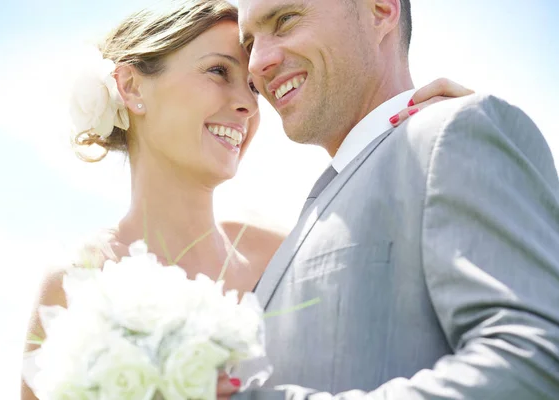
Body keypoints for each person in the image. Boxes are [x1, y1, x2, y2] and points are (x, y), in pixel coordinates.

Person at [20, 1, 475, 399]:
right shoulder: (72, 282)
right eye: (218, 72)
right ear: (133, 87)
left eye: (253, 87)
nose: (248, 104)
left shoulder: (289, 251)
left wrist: (416, 137)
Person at [226, 0, 559, 398]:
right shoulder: (319, 202)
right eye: (249, 45)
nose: (257, 63)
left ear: (381, 10)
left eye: (285, 20)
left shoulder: (452, 135)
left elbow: (537, 363)